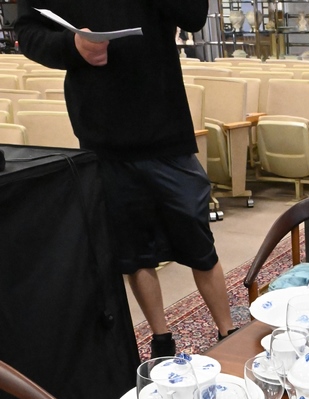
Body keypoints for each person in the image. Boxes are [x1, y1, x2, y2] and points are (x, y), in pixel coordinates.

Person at [16, 1, 236, 357]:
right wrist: (71, 46)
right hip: (103, 134)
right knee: (134, 253)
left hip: (165, 126)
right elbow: (28, 31)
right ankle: (161, 340)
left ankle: (228, 332)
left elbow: (194, 16)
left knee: (198, 240)